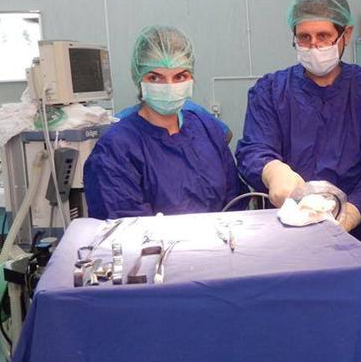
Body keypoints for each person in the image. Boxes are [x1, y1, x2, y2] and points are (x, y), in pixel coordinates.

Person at [236, 0, 361, 242]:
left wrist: (350, 213)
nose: (313, 45)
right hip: (290, 231)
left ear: (345, 34)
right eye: (304, 37)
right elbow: (254, 149)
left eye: (324, 36)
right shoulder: (271, 91)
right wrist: (272, 170)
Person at [84, 25, 246, 219]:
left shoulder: (206, 129)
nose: (169, 86)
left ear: (191, 77)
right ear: (139, 79)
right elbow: (125, 224)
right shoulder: (115, 149)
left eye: (180, 76)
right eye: (155, 77)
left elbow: (234, 201)